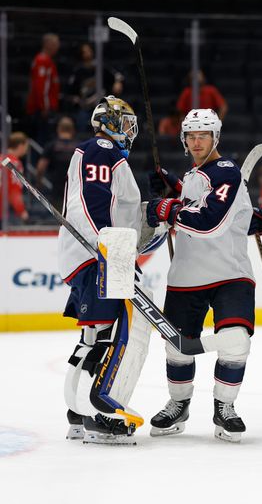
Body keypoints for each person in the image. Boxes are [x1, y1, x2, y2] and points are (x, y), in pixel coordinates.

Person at [147, 108, 260, 443]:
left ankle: (225, 407)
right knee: (176, 348)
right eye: (191, 136)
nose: (196, 142)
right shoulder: (196, 175)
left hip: (230, 273)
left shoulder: (226, 170)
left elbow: (209, 220)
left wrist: (168, 209)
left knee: (235, 340)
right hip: (186, 274)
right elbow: (197, 198)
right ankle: (178, 404)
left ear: (216, 137)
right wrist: (174, 187)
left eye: (203, 136)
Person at [59, 96, 143, 444]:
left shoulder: (107, 155)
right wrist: (107, 250)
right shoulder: (100, 149)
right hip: (98, 255)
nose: (129, 131)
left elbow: (120, 209)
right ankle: (99, 414)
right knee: (109, 332)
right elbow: (91, 206)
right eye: (124, 123)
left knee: (95, 334)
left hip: (95, 253)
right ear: (108, 123)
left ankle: (78, 412)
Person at [65, 43, 124, 134]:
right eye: (84, 52)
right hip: (85, 106)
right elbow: (71, 90)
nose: (87, 53)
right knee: (81, 119)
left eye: (89, 50)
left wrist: (117, 82)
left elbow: (117, 75)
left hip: (103, 105)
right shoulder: (78, 71)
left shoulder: (101, 67)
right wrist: (75, 99)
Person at [26, 33, 61, 145]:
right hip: (41, 110)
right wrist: (44, 107)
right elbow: (41, 87)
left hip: (44, 108)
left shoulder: (47, 61)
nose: (58, 47)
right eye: (56, 44)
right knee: (42, 140)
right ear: (48, 45)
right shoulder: (42, 61)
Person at [36, 116, 77, 208]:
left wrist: (39, 181)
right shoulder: (79, 147)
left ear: (58, 129)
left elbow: (41, 167)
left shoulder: (51, 145)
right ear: (73, 130)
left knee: (59, 217)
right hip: (74, 187)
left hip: (57, 187)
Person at [1, 132, 31, 223]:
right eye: (26, 146)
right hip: (4, 211)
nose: (27, 149)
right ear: (21, 145)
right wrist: (22, 211)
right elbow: (14, 191)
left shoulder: (1, 159)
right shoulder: (15, 164)